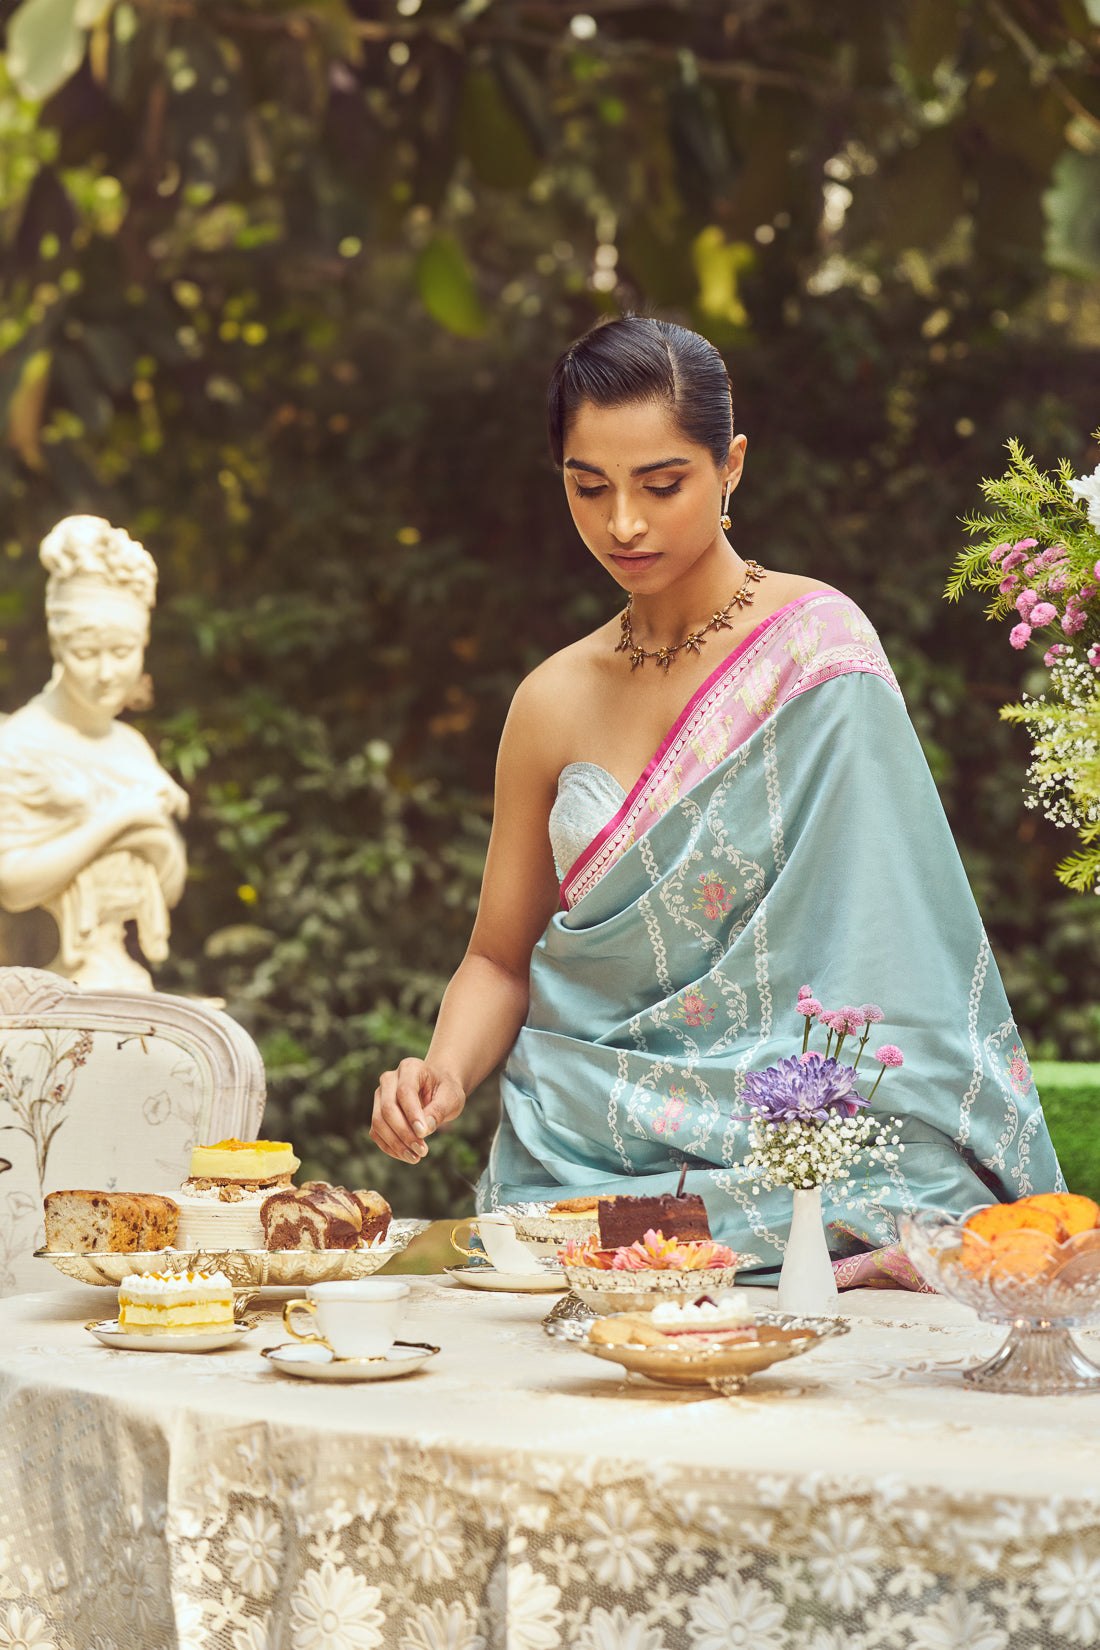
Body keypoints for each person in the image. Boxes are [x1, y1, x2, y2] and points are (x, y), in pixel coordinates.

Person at [372, 315, 1060, 1273]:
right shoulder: (550, 700)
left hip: (798, 1163)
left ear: (731, 464)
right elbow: (498, 956)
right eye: (588, 486)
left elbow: (896, 951)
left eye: (662, 484)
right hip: (579, 1170)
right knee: (581, 1289)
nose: (623, 523)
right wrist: (439, 1074)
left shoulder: (817, 653)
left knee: (901, 1221)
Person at [0, 515, 188, 991]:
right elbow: (13, 882)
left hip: (125, 980)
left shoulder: (133, 748)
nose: (106, 673)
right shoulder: (18, 746)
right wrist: (123, 819)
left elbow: (168, 879)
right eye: (86, 652)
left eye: (123, 651)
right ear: (57, 645)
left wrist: (153, 836)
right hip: (42, 993)